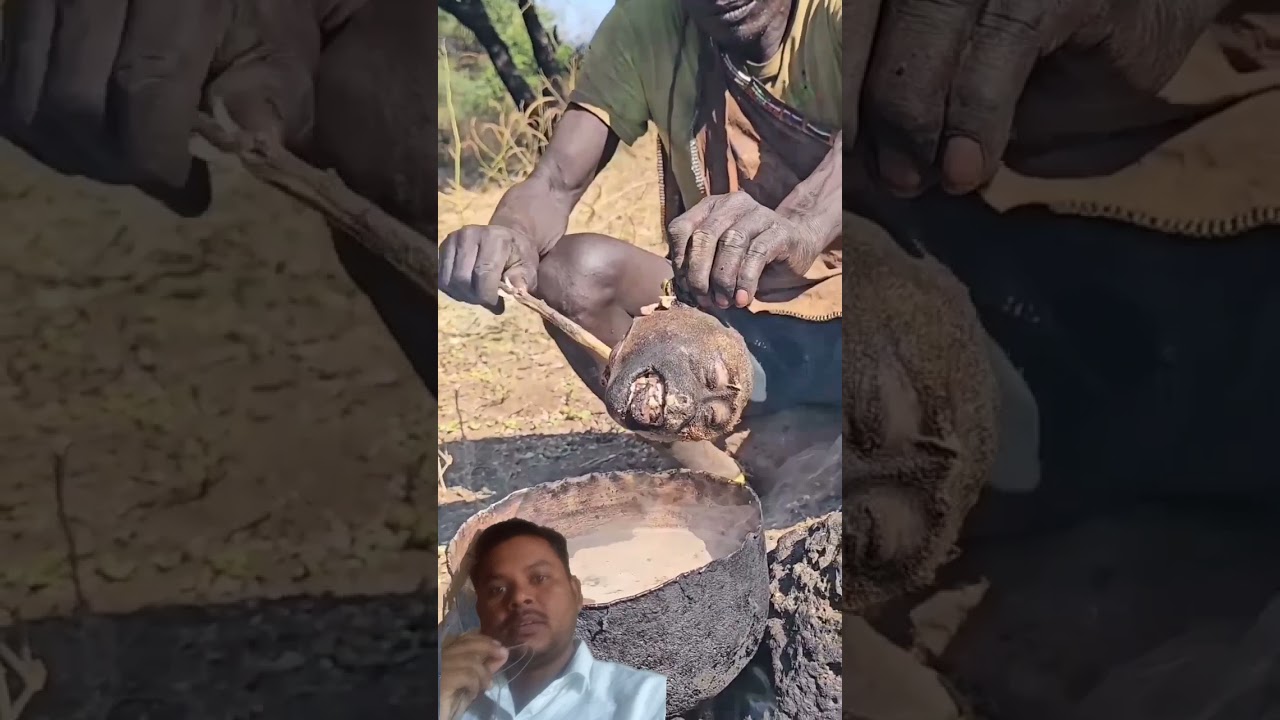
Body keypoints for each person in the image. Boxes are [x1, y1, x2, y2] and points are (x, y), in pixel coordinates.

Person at [438, 519, 666, 720]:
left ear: (576, 592)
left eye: (539, 578)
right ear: (478, 611)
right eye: (497, 589)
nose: (519, 597)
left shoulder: (643, 701)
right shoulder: (448, 694)